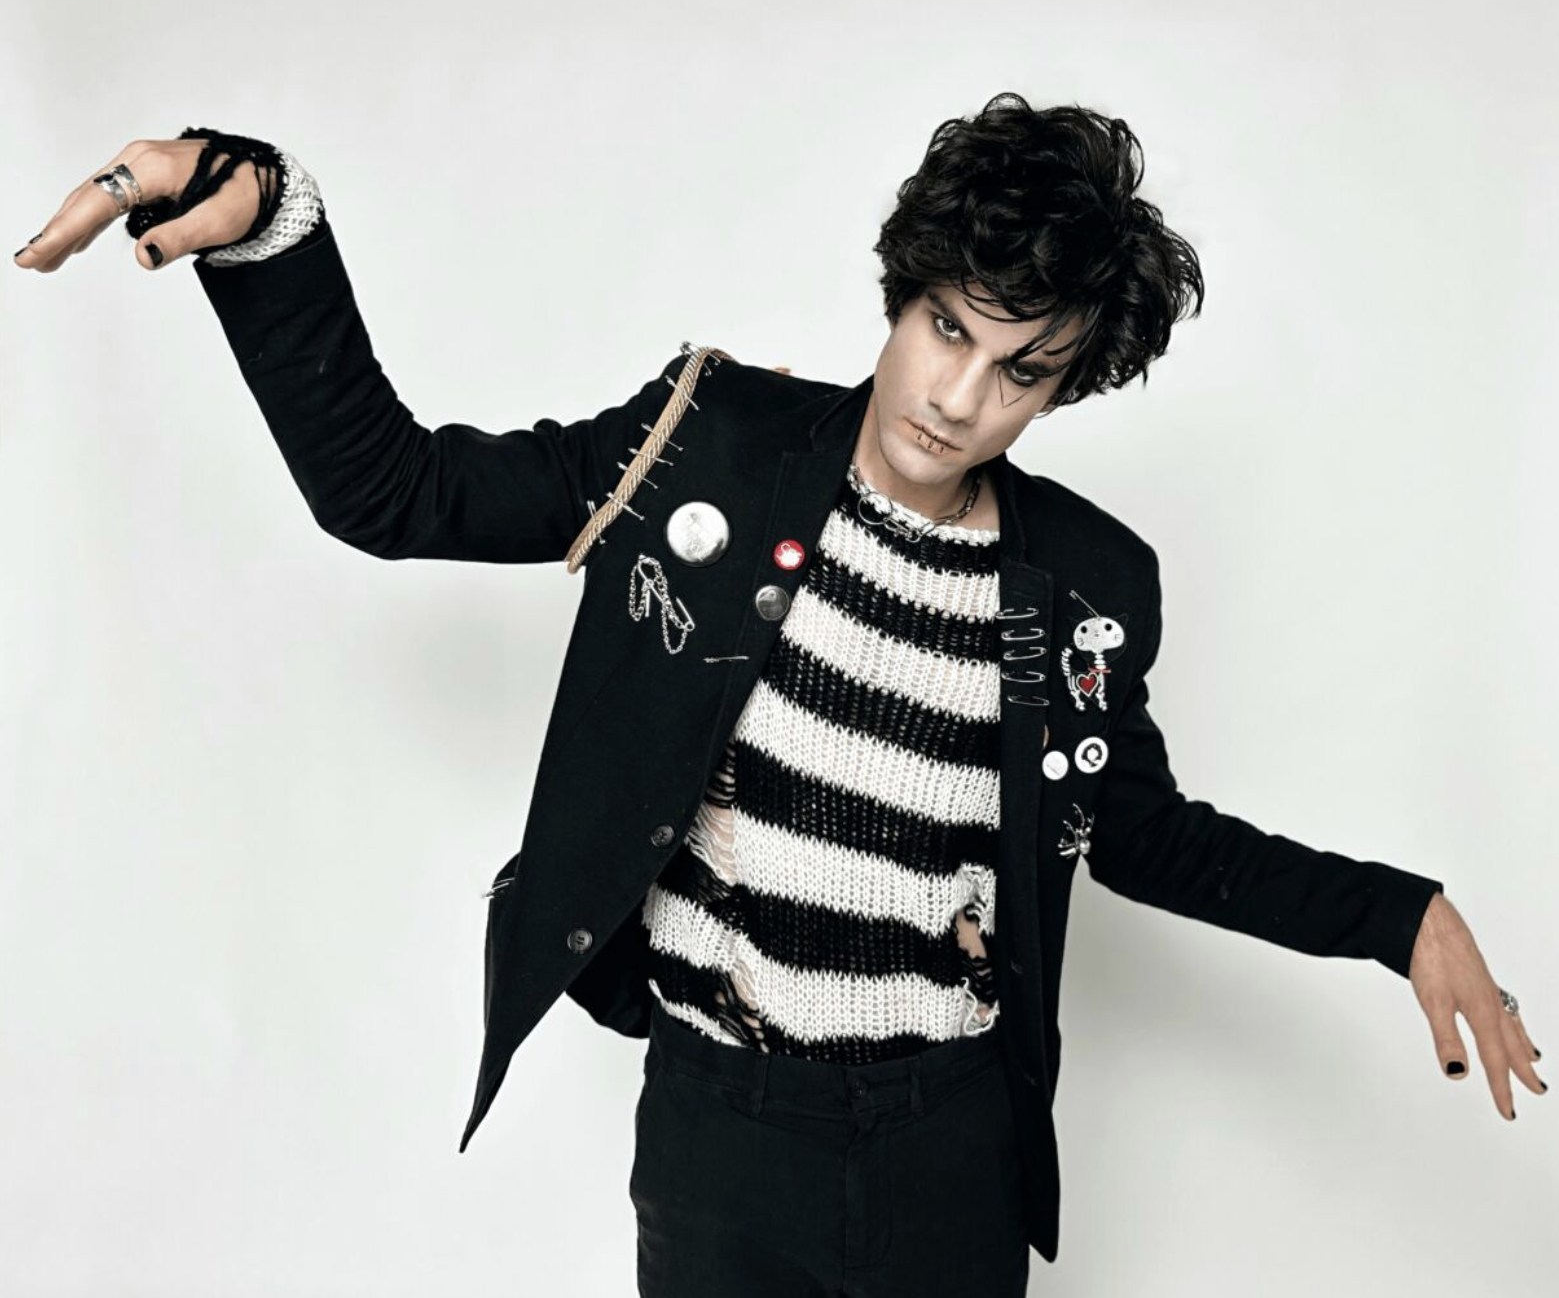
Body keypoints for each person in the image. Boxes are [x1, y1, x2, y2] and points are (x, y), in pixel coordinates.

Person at [14, 94, 1544, 1295]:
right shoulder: (711, 446)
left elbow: (1138, 832)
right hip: (720, 1133)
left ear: (1065, 387)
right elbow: (396, 490)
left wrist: (1394, 911)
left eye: (1019, 372)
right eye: (948, 327)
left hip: (950, 1149)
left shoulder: (1079, 581)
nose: (959, 396)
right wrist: (269, 217)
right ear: (902, 292)